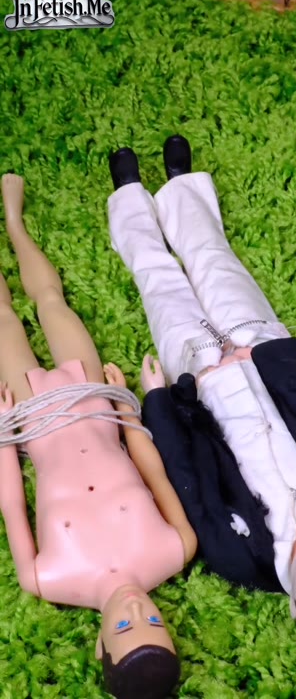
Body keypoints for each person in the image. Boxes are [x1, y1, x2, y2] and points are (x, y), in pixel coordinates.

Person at [107, 135, 296, 657]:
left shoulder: (240, 558)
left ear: (294, 606)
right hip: (271, 359)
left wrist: (159, 402)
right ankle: (181, 188)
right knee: (216, 265)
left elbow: (190, 480)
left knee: (161, 286)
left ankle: (128, 196)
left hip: (204, 384)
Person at [0, 173, 198, 699]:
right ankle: (15, 223)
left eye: (125, 627)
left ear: (99, 645)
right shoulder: (175, 548)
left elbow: (13, 505)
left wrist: (3, 437)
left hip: (34, 416)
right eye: (154, 622)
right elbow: (154, 473)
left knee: (2, 322)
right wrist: (125, 409)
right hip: (91, 399)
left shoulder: (47, 578)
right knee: (52, 302)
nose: (137, 609)